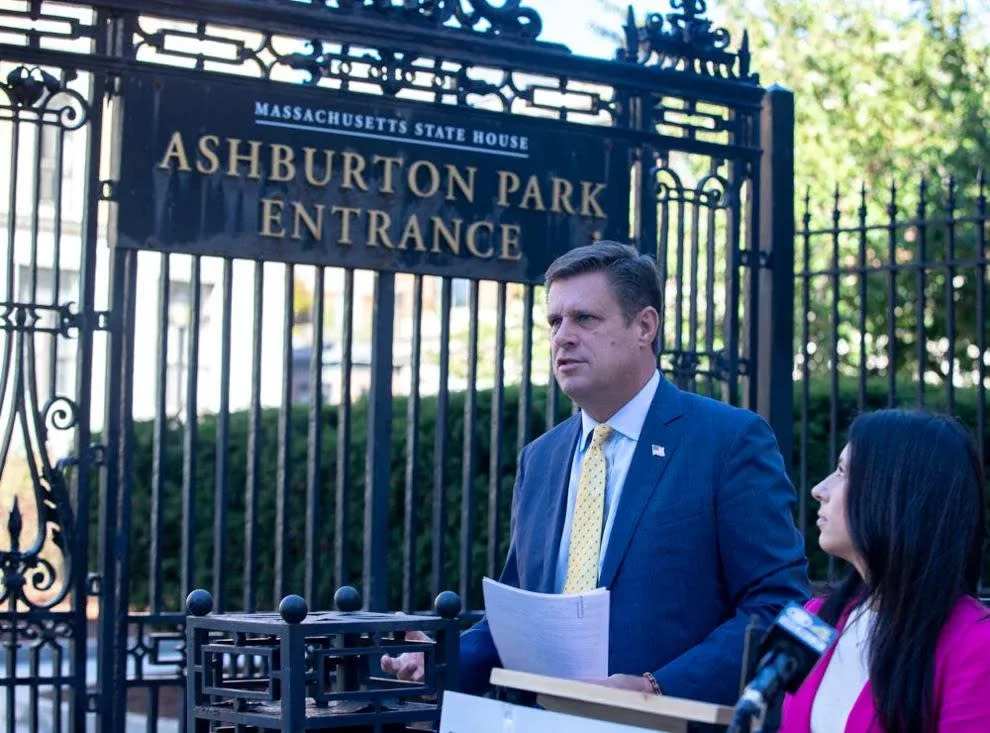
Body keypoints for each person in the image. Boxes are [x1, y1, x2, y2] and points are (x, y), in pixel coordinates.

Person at [382, 241, 809, 704]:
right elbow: (521, 612)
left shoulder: (727, 441)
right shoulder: (540, 459)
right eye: (554, 321)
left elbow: (778, 605)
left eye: (585, 318)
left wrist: (655, 690)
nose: (563, 336)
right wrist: (441, 662)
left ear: (644, 326)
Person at [781, 410, 990, 732]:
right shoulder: (814, 617)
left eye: (841, 471)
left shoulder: (976, 644)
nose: (819, 490)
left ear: (894, 495)